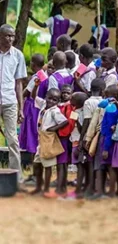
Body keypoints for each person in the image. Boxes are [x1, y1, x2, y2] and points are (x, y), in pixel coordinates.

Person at [30, 87, 69, 197]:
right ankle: (38, 186)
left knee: (48, 166)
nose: (51, 101)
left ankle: (46, 189)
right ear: (46, 97)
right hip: (41, 139)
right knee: (37, 164)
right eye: (50, 98)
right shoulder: (43, 105)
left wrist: (53, 129)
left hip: (48, 139)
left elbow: (64, 121)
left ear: (58, 101)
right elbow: (33, 97)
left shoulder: (55, 111)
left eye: (55, 100)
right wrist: (35, 86)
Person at [0, 24, 27, 180]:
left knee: (12, 140)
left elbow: (19, 83)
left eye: (12, 36)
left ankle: (16, 177)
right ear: (0, 36)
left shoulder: (18, 56)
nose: (10, 39)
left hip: (10, 101)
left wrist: (21, 108)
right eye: (7, 35)